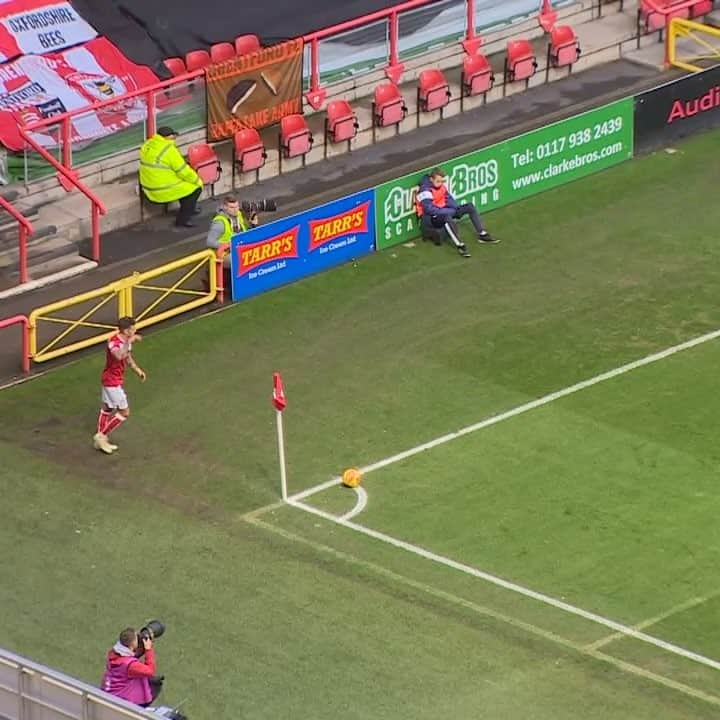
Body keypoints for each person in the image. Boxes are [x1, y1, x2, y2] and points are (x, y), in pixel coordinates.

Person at [416, 167, 498, 257]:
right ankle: (460, 246)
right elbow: (429, 209)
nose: (440, 183)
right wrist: (448, 211)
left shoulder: (442, 187)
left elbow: (449, 199)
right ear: (431, 179)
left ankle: (482, 234)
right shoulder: (424, 190)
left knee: (469, 207)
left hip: (444, 211)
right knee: (446, 218)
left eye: (442, 181)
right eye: (438, 181)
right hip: (429, 218)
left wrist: (456, 209)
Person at [93, 316, 146, 455]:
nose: (135, 330)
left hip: (113, 379)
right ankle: (101, 436)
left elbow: (127, 357)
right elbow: (118, 356)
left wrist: (137, 370)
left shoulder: (126, 342)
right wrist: (129, 341)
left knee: (107, 407)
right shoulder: (114, 342)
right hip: (111, 381)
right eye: (132, 328)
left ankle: (101, 437)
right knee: (124, 412)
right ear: (126, 330)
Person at [139, 126, 203, 228]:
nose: (175, 138)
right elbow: (184, 172)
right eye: (173, 136)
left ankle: (189, 209)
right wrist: (197, 180)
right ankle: (183, 220)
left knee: (185, 189)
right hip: (161, 189)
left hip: (148, 186)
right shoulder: (169, 150)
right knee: (195, 189)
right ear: (168, 137)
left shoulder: (148, 144)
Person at [101, 628, 160, 707]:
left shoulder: (113, 652)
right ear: (132, 644)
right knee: (155, 685)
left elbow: (130, 656)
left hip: (109, 692)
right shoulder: (129, 665)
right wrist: (148, 649)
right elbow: (150, 671)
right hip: (121, 702)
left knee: (149, 680)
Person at [206, 195, 258, 268]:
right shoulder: (220, 222)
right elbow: (209, 242)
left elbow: (245, 231)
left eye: (237, 207)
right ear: (225, 207)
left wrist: (253, 224)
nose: (235, 210)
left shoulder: (238, 214)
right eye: (232, 207)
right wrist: (228, 245)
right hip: (225, 253)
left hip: (240, 248)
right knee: (240, 261)